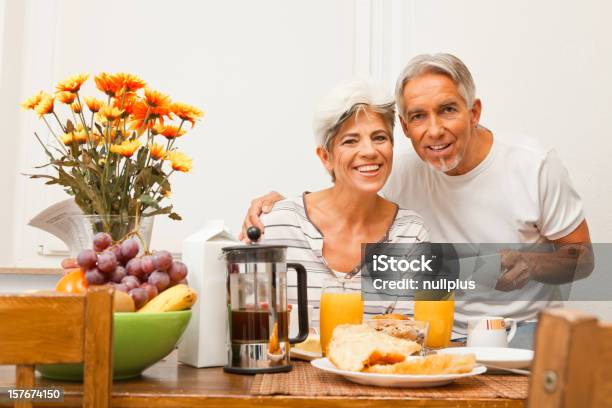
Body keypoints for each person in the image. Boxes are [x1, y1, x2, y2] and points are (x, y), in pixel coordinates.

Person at [241, 54, 593, 348]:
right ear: (406, 128)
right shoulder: (399, 167)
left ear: (474, 112)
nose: (435, 130)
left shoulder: (533, 165)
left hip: (519, 332)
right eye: (419, 116)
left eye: (448, 110)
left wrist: (533, 264)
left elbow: (586, 259)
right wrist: (286, 212)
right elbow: (349, 188)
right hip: (438, 336)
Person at [256, 78, 429, 326]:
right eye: (350, 141)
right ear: (326, 157)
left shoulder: (410, 233)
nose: (369, 151)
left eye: (380, 137)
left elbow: (406, 334)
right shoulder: (278, 225)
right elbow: (254, 325)